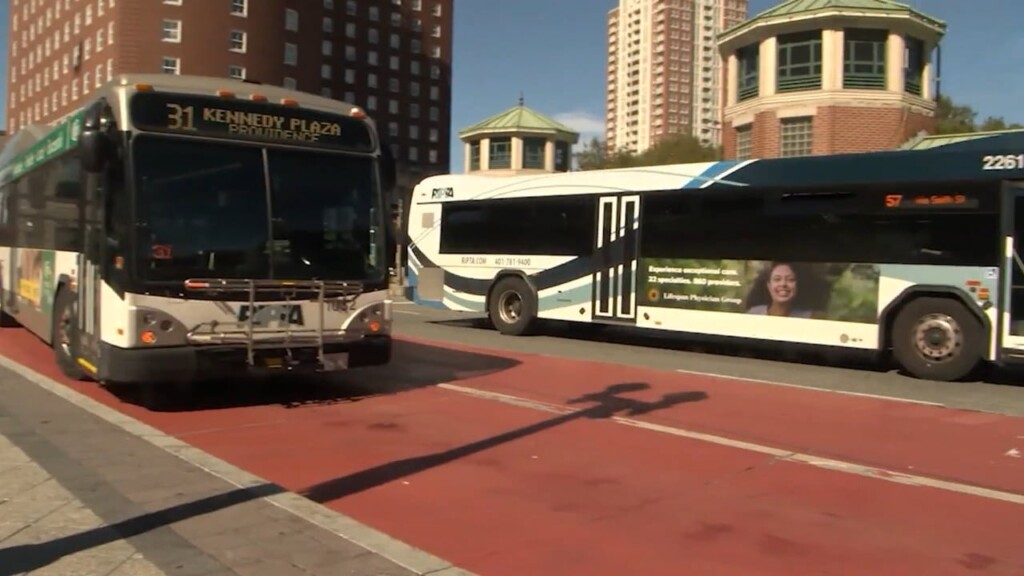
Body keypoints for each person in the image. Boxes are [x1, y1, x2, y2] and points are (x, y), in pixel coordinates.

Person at [744, 261, 820, 318]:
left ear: (797, 285)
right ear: (769, 286)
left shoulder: (809, 317)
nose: (783, 284)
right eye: (777, 279)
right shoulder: (754, 313)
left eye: (790, 279)